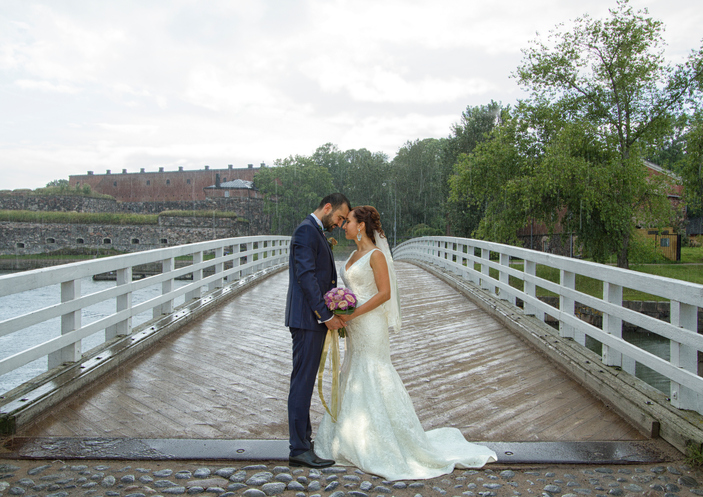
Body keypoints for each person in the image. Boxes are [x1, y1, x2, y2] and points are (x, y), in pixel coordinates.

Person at [315, 206, 497, 480]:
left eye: (349, 221)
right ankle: (353, 437)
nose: (344, 226)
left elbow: (385, 293)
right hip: (354, 327)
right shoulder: (353, 255)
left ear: (361, 226)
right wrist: (342, 308)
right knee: (353, 371)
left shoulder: (376, 256)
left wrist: (354, 312)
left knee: (375, 370)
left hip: (370, 324)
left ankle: (384, 441)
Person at [285, 193, 351, 468]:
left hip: (310, 320)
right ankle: (299, 449)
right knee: (302, 382)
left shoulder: (316, 232)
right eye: (339, 217)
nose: (339, 223)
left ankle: (303, 443)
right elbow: (306, 276)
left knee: (304, 381)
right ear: (327, 208)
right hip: (307, 320)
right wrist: (325, 316)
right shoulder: (306, 231)